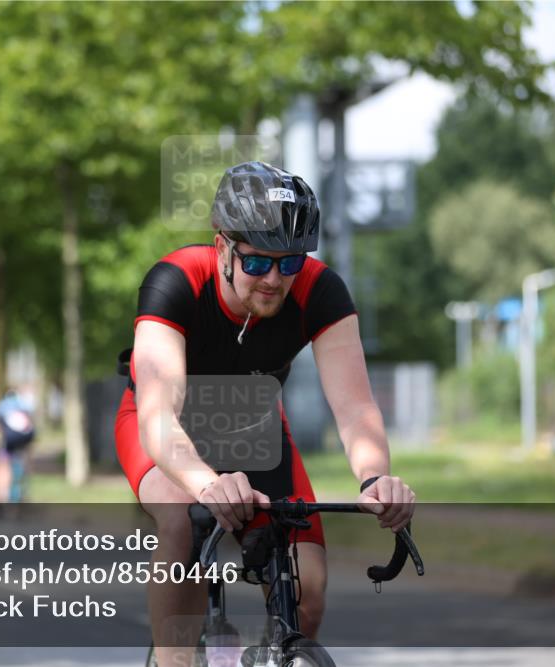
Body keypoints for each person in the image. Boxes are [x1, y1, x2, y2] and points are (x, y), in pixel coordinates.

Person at [113, 161, 416, 666]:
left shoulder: (321, 290)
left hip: (254, 425)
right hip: (168, 429)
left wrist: (375, 479)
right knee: (180, 522)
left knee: (310, 586)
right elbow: (158, 415)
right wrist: (205, 484)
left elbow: (357, 407)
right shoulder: (175, 280)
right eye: (257, 263)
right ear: (222, 248)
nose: (275, 279)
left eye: (290, 263)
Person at [0, 389, 36, 509]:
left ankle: (0, 497)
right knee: (26, 460)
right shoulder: (25, 405)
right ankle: (24, 491)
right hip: (24, 441)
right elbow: (30, 426)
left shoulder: (2, 406)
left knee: (2, 466)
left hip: (8, 443)